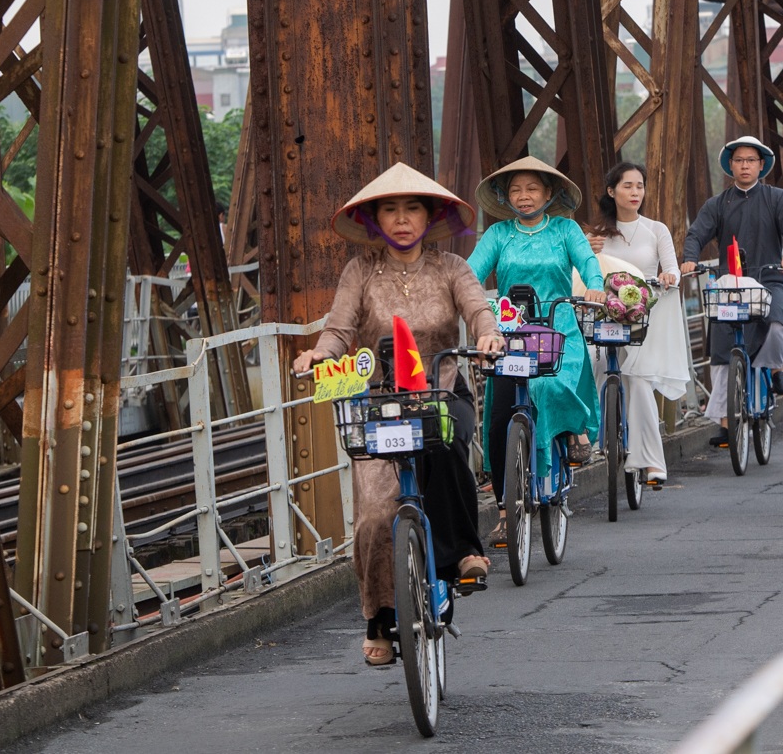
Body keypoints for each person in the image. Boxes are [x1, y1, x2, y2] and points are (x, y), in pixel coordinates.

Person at [288, 164, 503, 666]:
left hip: (442, 391)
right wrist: (319, 353)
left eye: (412, 209)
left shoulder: (451, 266)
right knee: (375, 515)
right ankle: (378, 617)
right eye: (391, 210)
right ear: (375, 219)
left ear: (430, 217)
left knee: (449, 448)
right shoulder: (359, 271)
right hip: (379, 402)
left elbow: (477, 309)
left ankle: (465, 554)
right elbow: (339, 330)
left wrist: (488, 334)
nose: (402, 219)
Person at [467, 156, 603, 542]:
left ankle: (573, 429)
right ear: (505, 196)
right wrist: (463, 298)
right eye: (515, 190)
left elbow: (588, 264)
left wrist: (593, 285)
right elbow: (470, 273)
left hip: (558, 329)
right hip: (509, 332)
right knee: (497, 418)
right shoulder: (497, 235)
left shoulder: (565, 229)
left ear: (548, 193)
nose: (523, 197)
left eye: (531, 189)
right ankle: (507, 510)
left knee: (548, 386)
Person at [681, 136, 783, 445]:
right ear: (730, 166)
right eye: (739, 160)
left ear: (761, 165)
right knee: (722, 349)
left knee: (778, 324)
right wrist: (690, 259)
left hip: (769, 278)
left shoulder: (777, 198)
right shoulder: (718, 204)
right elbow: (696, 233)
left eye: (751, 160)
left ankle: (774, 368)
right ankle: (725, 420)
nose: (745, 165)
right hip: (731, 284)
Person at [586, 162, 688, 488]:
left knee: (641, 381)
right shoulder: (596, 234)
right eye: (627, 186)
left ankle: (651, 461)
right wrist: (587, 252)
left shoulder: (656, 230)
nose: (635, 192)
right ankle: (584, 436)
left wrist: (669, 277)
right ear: (611, 191)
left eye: (639, 186)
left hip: (643, 319)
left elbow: (672, 269)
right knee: (590, 363)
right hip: (606, 315)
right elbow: (581, 274)